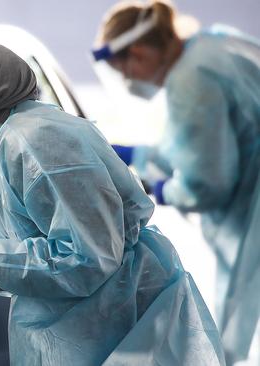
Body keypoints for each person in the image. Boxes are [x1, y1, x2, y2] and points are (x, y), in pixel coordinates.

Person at [0, 36, 224, 365]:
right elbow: (35, 244)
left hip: (121, 323)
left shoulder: (35, 140)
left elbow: (87, 257)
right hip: (87, 328)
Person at [93, 1, 260, 363]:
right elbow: (197, 140)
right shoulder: (210, 48)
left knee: (231, 329)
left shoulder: (193, 77)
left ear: (137, 53)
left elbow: (208, 180)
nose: (128, 80)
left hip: (251, 207)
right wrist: (139, 156)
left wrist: (166, 189)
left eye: (124, 70)